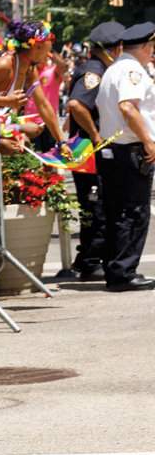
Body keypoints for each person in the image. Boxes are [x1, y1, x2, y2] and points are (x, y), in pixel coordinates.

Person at [95, 21, 155, 291]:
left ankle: (116, 268)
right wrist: (148, 141)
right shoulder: (133, 71)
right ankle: (124, 272)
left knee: (116, 211)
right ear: (144, 46)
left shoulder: (114, 68)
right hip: (130, 149)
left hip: (113, 149)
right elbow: (128, 109)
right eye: (152, 47)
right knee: (134, 212)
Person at [65, 21, 125, 281]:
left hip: (93, 149)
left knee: (99, 204)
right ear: (114, 48)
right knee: (96, 205)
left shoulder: (100, 68)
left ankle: (88, 257)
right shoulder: (95, 72)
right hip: (90, 150)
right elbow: (77, 105)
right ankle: (90, 261)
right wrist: (96, 134)